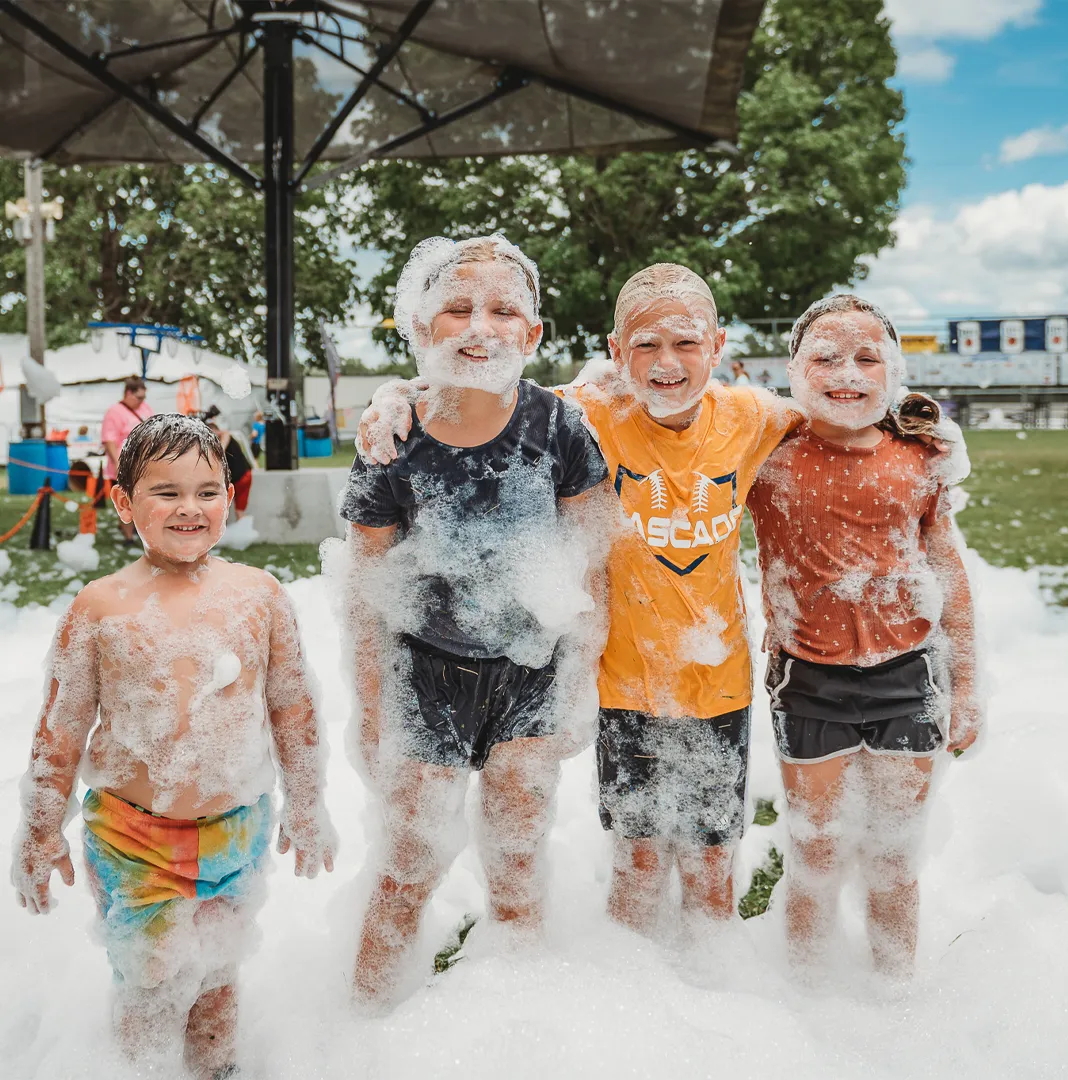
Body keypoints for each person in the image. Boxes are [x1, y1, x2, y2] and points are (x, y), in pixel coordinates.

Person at [358, 263, 804, 937]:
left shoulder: (751, 416)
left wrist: (916, 422)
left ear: (717, 347)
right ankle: (629, 986)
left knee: (713, 870)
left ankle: (714, 982)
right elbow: (478, 384)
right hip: (621, 682)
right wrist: (395, 394)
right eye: (646, 345)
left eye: (686, 343)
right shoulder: (587, 412)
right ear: (616, 351)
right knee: (638, 866)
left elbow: (839, 408)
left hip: (720, 678)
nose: (667, 363)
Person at [11, 413, 335, 1078]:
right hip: (133, 837)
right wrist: (41, 830)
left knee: (217, 979)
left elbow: (293, 710)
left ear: (229, 497)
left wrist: (307, 804)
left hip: (237, 829)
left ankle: (217, 1070)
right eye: (167, 492)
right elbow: (60, 731)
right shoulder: (102, 607)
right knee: (152, 983)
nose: (190, 507)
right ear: (124, 502)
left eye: (207, 491)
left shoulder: (260, 596)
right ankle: (144, 1069)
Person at [338, 235, 611, 1006]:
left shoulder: (559, 428)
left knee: (518, 854)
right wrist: (372, 705)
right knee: (408, 864)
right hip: (426, 671)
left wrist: (578, 684)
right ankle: (361, 1024)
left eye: (502, 310)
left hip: (532, 671)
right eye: (456, 308)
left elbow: (593, 565)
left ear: (534, 333)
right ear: (420, 328)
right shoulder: (393, 441)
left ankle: (512, 1020)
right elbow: (365, 588)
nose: (479, 326)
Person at [746, 294, 980, 978]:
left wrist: (967, 684)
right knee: (815, 851)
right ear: (794, 370)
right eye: (825, 357)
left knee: (893, 857)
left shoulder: (918, 456)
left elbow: (948, 569)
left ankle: (892, 996)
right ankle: (808, 995)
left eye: (867, 358)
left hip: (908, 675)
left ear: (893, 372)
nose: (846, 372)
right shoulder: (767, 454)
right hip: (807, 677)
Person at [101, 376, 154, 543]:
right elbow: (109, 440)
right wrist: (117, 463)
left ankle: (136, 529)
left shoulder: (145, 408)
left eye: (144, 397)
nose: (142, 401)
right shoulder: (114, 412)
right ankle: (128, 536)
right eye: (139, 397)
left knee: (143, 499)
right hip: (122, 464)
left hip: (144, 465)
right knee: (126, 500)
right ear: (128, 393)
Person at [210, 421, 254, 520]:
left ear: (217, 430)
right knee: (233, 511)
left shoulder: (225, 435)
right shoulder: (216, 443)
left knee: (235, 510)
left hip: (242, 477)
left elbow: (225, 435)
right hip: (238, 478)